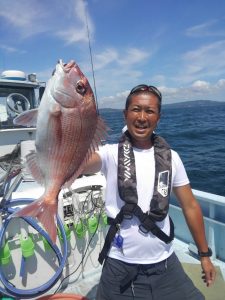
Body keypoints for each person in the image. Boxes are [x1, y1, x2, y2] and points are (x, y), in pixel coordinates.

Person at [83, 84, 216, 300]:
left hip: (165, 263)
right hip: (119, 264)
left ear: (158, 118)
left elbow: (190, 206)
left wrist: (204, 255)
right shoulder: (108, 154)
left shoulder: (171, 157)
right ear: (125, 114)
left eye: (150, 111)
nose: (142, 117)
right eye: (136, 109)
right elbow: (78, 163)